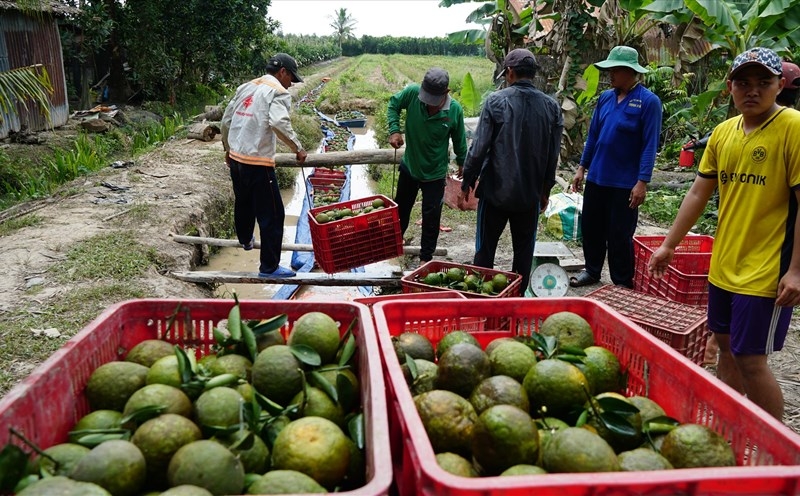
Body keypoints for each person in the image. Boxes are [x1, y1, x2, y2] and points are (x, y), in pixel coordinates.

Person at [648, 47, 800, 421]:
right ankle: (728, 427)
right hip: (725, 264)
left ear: (780, 85)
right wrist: (669, 244)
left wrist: (796, 270)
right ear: (730, 87)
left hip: (766, 270)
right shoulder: (722, 133)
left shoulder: (793, 128)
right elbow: (699, 192)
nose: (753, 90)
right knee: (726, 347)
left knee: (751, 359)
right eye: (743, 83)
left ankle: (773, 451)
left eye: (763, 82)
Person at [457, 48, 564, 295]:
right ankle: (515, 299)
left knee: (485, 249)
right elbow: (552, 154)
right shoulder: (551, 107)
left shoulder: (496, 101)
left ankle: (481, 300)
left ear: (510, 72)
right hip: (529, 195)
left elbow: (479, 147)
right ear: (533, 74)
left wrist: (467, 184)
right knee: (523, 251)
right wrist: (545, 189)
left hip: (495, 192)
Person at [569, 45, 662, 289]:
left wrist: (642, 182)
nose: (610, 75)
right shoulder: (606, 98)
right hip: (598, 177)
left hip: (625, 183)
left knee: (620, 235)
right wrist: (582, 168)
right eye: (609, 70)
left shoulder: (648, 102)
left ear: (630, 72)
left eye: (615, 70)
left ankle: (622, 282)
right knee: (591, 228)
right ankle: (592, 270)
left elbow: (649, 145)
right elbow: (593, 136)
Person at [221, 53, 307, 278]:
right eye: (291, 78)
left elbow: (226, 121)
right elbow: (278, 122)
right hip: (257, 162)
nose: (291, 84)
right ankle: (269, 267)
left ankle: (245, 239)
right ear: (283, 73)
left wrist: (227, 149)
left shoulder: (246, 86)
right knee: (274, 214)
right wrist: (297, 148)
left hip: (237, 158)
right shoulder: (278, 91)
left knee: (243, 201)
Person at [387, 68, 468, 266]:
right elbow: (393, 104)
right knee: (400, 211)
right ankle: (392, 248)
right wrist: (394, 130)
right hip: (411, 167)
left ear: (446, 92)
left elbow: (460, 140)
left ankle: (425, 259)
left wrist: (462, 162)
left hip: (435, 173)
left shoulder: (454, 110)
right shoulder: (412, 93)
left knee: (431, 218)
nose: (428, 103)